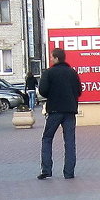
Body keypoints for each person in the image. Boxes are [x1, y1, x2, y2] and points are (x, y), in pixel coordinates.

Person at [37, 48, 83, 180]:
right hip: (70, 111)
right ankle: (69, 173)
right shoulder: (72, 73)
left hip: (55, 111)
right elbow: (79, 91)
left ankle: (46, 170)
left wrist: (53, 94)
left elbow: (43, 91)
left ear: (56, 58)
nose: (51, 59)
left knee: (47, 138)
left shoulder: (49, 73)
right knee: (69, 141)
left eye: (52, 57)